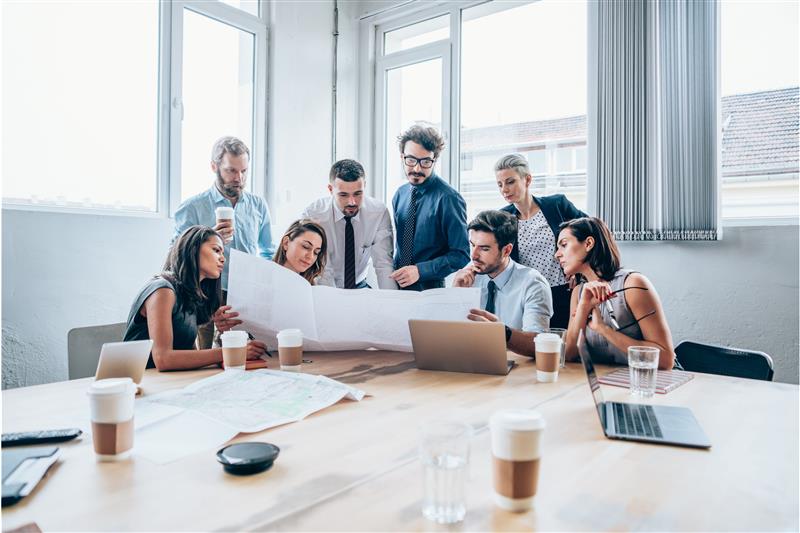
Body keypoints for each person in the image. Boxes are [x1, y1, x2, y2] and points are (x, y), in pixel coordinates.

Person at [173, 136, 275, 348]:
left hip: (247, 294)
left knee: (247, 353)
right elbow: (176, 254)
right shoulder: (193, 207)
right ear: (214, 167)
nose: (239, 178)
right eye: (231, 170)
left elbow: (267, 251)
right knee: (206, 355)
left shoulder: (258, 205)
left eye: (244, 171)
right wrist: (208, 237)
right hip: (205, 293)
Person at [123, 226, 267, 371]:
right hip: (141, 382)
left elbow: (190, 356)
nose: (223, 258)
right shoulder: (163, 290)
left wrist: (223, 332)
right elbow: (163, 359)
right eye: (216, 250)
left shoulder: (190, 295)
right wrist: (234, 351)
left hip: (170, 380)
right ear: (193, 249)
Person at [556, 217, 675, 370]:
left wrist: (603, 330)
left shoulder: (633, 285)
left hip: (649, 383)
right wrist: (584, 307)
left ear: (588, 244)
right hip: (608, 383)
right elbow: (569, 355)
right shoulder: (578, 293)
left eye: (564, 245)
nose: (557, 254)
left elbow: (666, 360)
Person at [495, 153, 587, 329]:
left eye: (510, 182)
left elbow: (593, 232)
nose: (504, 190)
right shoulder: (502, 218)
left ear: (527, 180)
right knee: (532, 347)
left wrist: (579, 270)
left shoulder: (557, 205)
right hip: (528, 295)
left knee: (564, 346)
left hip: (562, 291)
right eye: (500, 184)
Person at [452, 210, 552, 357]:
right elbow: (451, 337)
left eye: (484, 248)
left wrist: (501, 332)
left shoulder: (533, 284)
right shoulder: (465, 277)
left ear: (506, 250)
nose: (473, 255)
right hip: (469, 362)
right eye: (472, 245)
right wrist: (455, 295)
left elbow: (538, 343)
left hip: (516, 369)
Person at [391, 124, 470, 291]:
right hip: (396, 287)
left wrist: (420, 271)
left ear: (435, 160)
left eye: (426, 162)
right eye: (411, 160)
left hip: (430, 290)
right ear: (402, 157)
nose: (417, 168)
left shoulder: (449, 199)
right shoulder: (400, 194)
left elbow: (461, 255)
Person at [302, 159, 397, 289]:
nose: (352, 202)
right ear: (330, 189)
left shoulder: (379, 213)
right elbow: (324, 271)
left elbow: (384, 264)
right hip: (323, 287)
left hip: (360, 286)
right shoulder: (314, 215)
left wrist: (391, 303)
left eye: (358, 193)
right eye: (343, 195)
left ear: (364, 185)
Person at [273, 219, 328, 284]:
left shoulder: (312, 288)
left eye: (316, 252)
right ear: (286, 243)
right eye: (305, 246)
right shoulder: (262, 276)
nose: (310, 257)